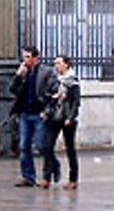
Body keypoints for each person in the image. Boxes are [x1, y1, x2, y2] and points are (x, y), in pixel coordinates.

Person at [9, 45, 58, 187]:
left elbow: (54, 92)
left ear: (36, 58)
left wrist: (46, 110)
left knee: (42, 145)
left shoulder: (46, 72)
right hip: (25, 113)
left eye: (28, 57)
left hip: (39, 113)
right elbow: (13, 90)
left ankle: (54, 165)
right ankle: (28, 176)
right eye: (24, 56)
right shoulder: (23, 72)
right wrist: (18, 76)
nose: (25, 60)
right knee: (24, 146)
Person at [41, 54, 80, 190]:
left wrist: (71, 117)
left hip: (67, 118)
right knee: (47, 146)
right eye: (55, 63)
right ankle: (47, 176)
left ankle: (73, 179)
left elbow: (75, 101)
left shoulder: (73, 81)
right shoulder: (54, 80)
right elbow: (47, 96)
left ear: (66, 65)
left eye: (58, 63)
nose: (56, 66)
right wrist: (47, 109)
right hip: (54, 116)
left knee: (70, 149)